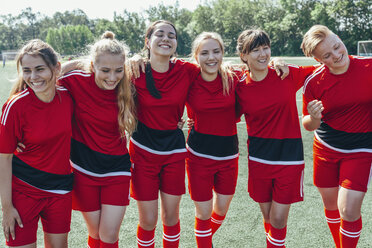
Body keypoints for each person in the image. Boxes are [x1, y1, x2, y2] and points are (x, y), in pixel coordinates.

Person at [235, 29, 316, 248]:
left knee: (279, 219)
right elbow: (224, 111)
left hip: (289, 158)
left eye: (265, 48)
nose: (263, 54)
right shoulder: (239, 85)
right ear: (243, 55)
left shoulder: (285, 74)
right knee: (270, 218)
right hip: (259, 158)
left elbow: (323, 70)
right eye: (255, 50)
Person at [58, 31, 137, 248]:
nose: (112, 77)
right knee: (95, 233)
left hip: (117, 169)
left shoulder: (128, 87)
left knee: (109, 234)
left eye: (118, 70)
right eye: (105, 70)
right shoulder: (74, 81)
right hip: (83, 169)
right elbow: (44, 78)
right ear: (92, 66)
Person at [129, 20, 200, 248]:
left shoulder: (186, 71)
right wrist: (130, 59)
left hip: (173, 150)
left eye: (172, 35)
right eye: (160, 34)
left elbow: (217, 66)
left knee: (171, 217)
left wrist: (276, 62)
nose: (166, 39)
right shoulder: (133, 70)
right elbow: (97, 64)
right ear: (147, 42)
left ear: (176, 44)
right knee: (148, 221)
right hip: (142, 151)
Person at [301, 25, 372, 248]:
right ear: (319, 60)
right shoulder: (314, 82)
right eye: (327, 55)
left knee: (348, 210)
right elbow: (308, 125)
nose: (337, 55)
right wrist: (314, 116)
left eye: (336, 46)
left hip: (361, 148)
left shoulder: (368, 67)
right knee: (331, 205)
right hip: (326, 148)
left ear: (339, 38)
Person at [0, 40, 73, 247]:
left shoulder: (68, 97)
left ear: (56, 67)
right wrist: (6, 208)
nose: (33, 77)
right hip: (23, 189)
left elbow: (92, 65)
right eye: (27, 71)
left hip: (60, 189)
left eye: (40, 69)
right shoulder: (15, 106)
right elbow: (3, 158)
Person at [185, 32, 240, 248]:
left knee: (221, 210)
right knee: (204, 213)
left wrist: (278, 61)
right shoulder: (189, 78)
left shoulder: (233, 78)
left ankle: (202, 236)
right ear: (196, 56)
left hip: (229, 155)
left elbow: (259, 67)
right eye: (205, 52)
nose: (211, 57)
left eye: (216, 51)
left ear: (222, 54)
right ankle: (203, 240)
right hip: (199, 156)